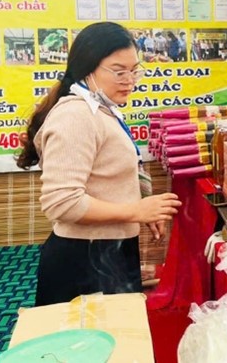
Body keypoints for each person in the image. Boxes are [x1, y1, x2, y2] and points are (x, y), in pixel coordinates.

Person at [16, 22, 182, 306]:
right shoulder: (76, 117)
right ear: (87, 68)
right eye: (118, 71)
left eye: (134, 70)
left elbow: (108, 178)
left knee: (115, 343)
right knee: (83, 348)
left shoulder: (101, 109)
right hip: (84, 260)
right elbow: (62, 203)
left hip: (107, 251)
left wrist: (141, 206)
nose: (129, 80)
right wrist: (135, 210)